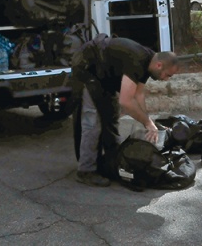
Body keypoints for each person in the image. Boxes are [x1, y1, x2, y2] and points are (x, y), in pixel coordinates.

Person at [69, 35, 179, 187]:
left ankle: (112, 161)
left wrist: (148, 122)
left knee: (111, 116)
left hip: (104, 75)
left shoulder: (149, 61)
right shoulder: (137, 60)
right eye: (168, 75)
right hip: (88, 69)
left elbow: (138, 95)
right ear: (159, 65)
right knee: (94, 123)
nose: (166, 79)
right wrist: (146, 122)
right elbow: (126, 102)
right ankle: (85, 171)